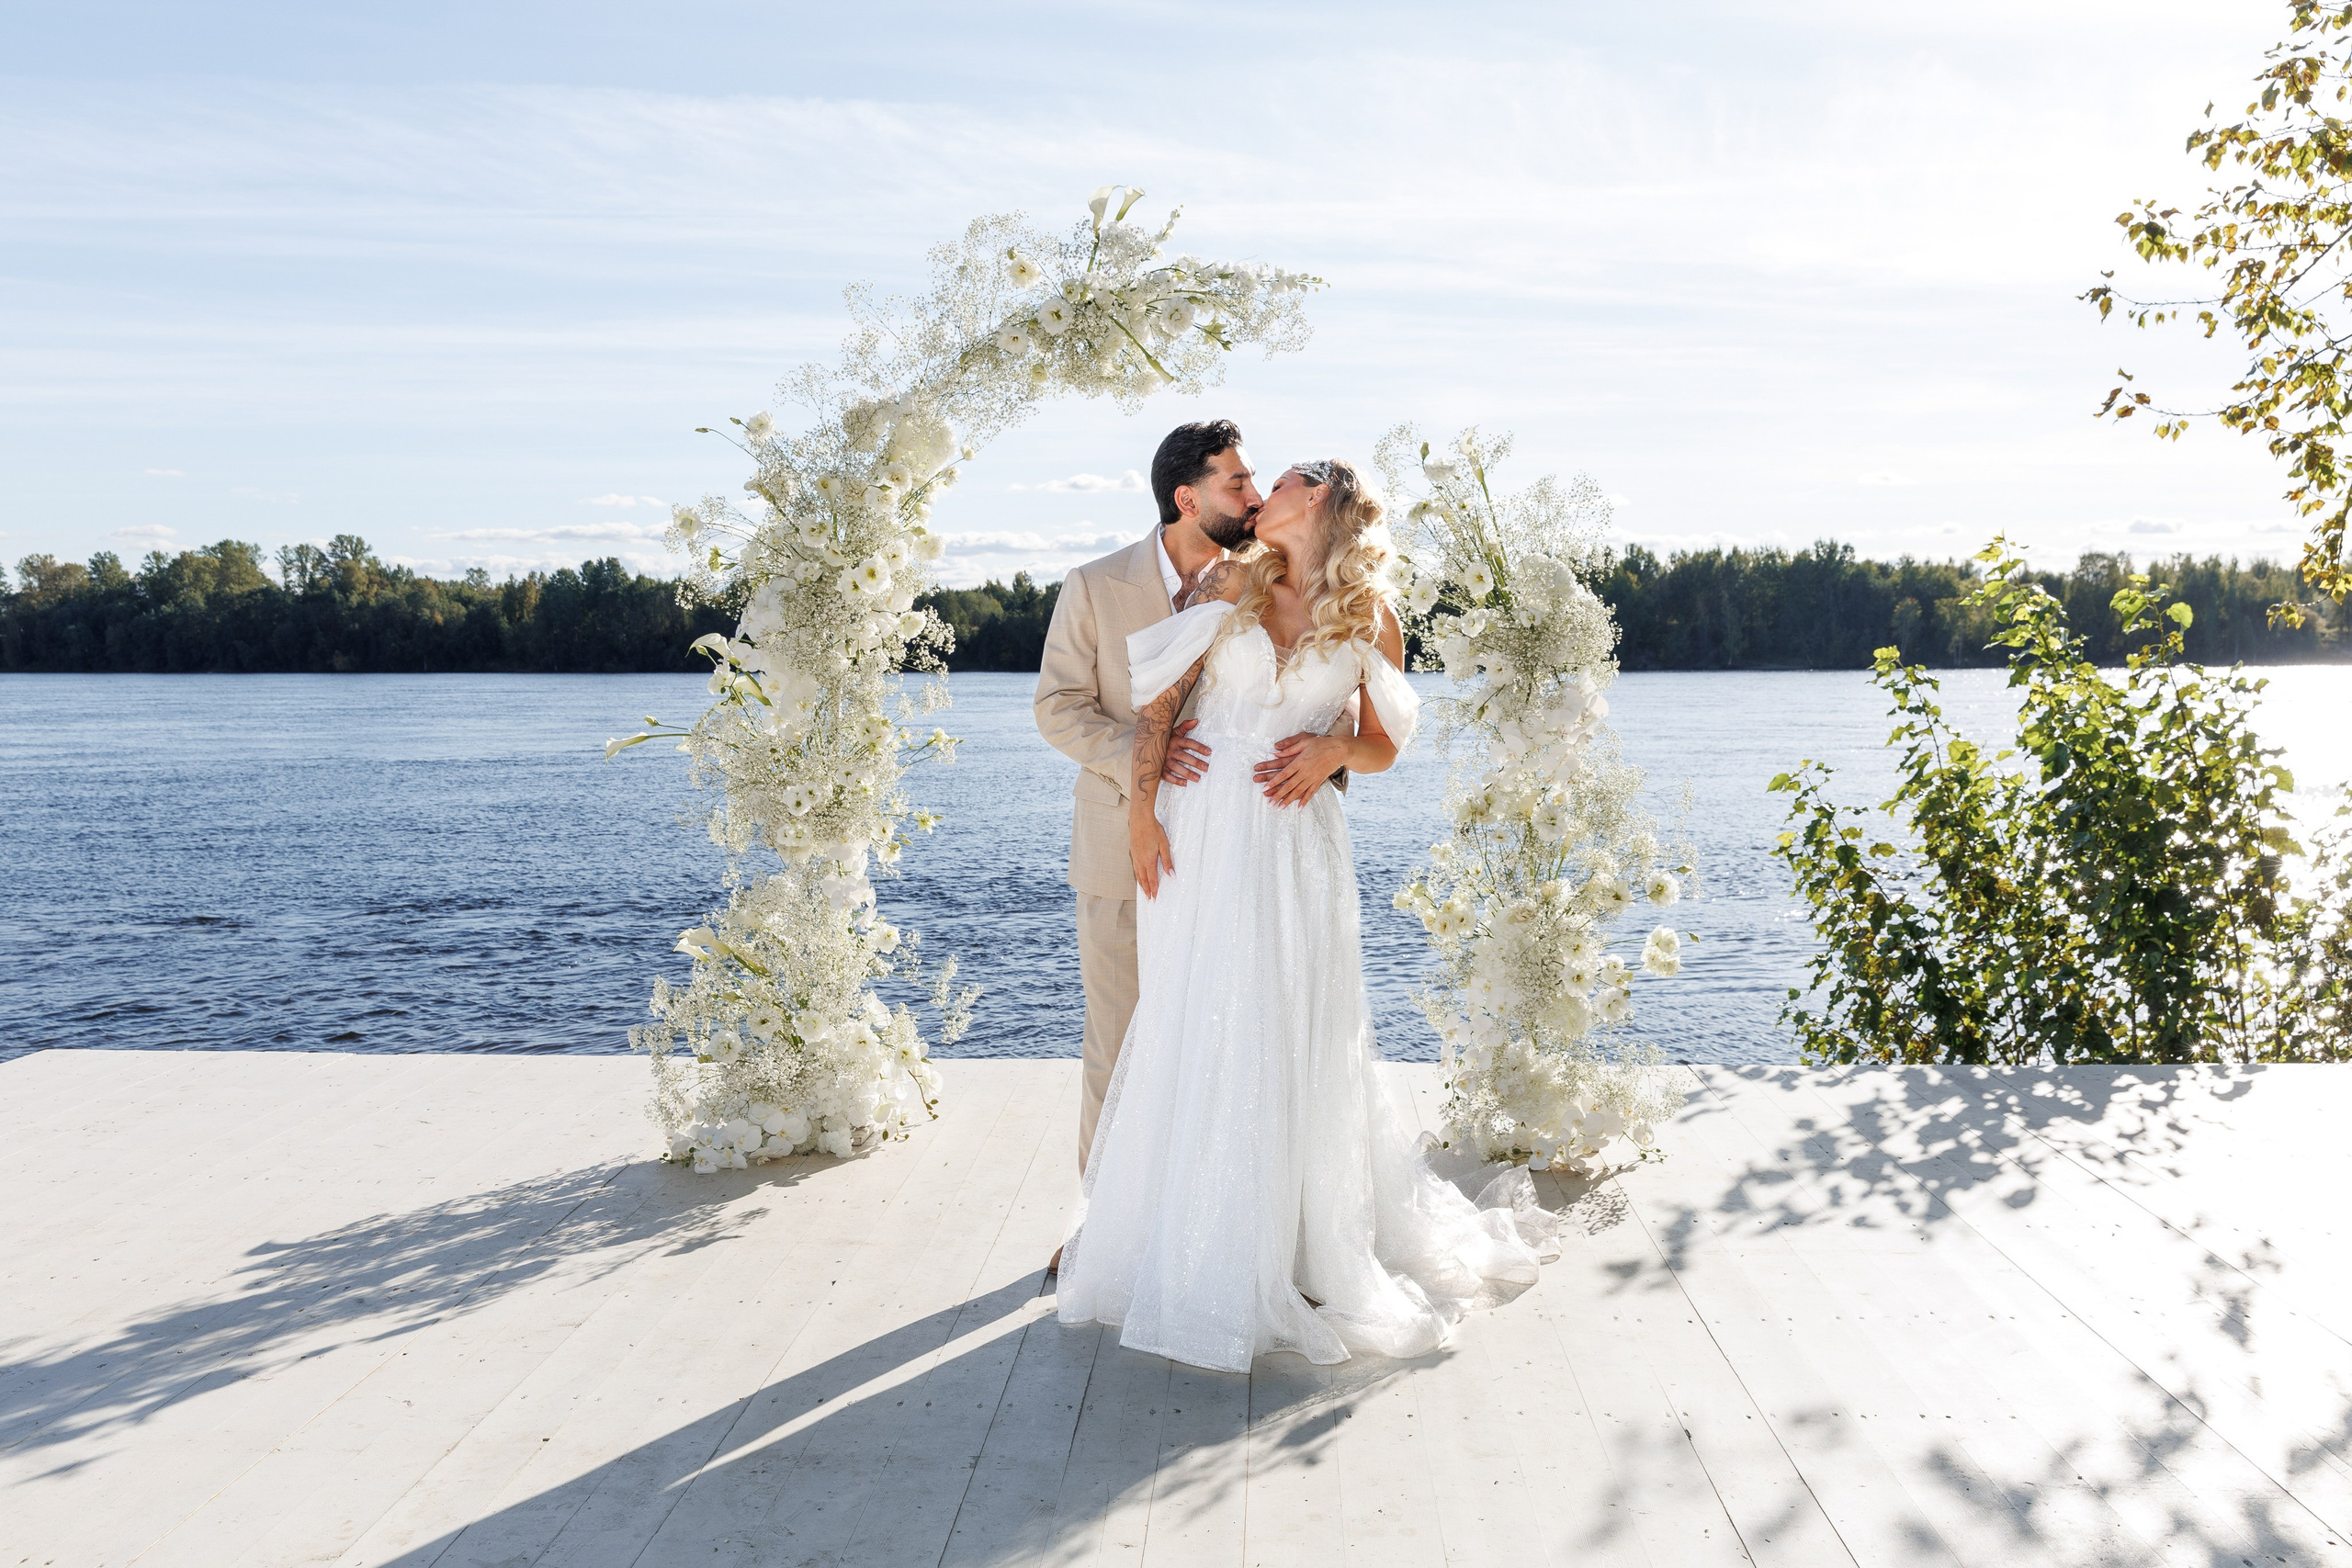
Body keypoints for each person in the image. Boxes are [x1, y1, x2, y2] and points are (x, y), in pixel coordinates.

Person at [1052, 458, 1556, 1372]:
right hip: (1199, 834)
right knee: (1199, 1019)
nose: (1257, 498)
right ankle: (1193, 1239)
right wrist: (1135, 818)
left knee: (1296, 1021)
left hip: (1295, 842)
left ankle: (1301, 1245)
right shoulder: (1225, 582)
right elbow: (1160, 710)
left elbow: (1385, 747)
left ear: (1317, 498)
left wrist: (1331, 748)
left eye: (1275, 482)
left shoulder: (1370, 614)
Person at [1033, 422, 1350, 1182]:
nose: (1252, 492)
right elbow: (1058, 706)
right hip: (1124, 844)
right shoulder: (1095, 584)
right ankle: (1096, 1229)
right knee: (1118, 1041)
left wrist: (1327, 757)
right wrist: (1144, 760)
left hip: (1232, 855)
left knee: (1223, 1044)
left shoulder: (1264, 577)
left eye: (1255, 483)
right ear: (1187, 496)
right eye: (1236, 482)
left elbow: (1309, 691)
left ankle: (1197, 1226)